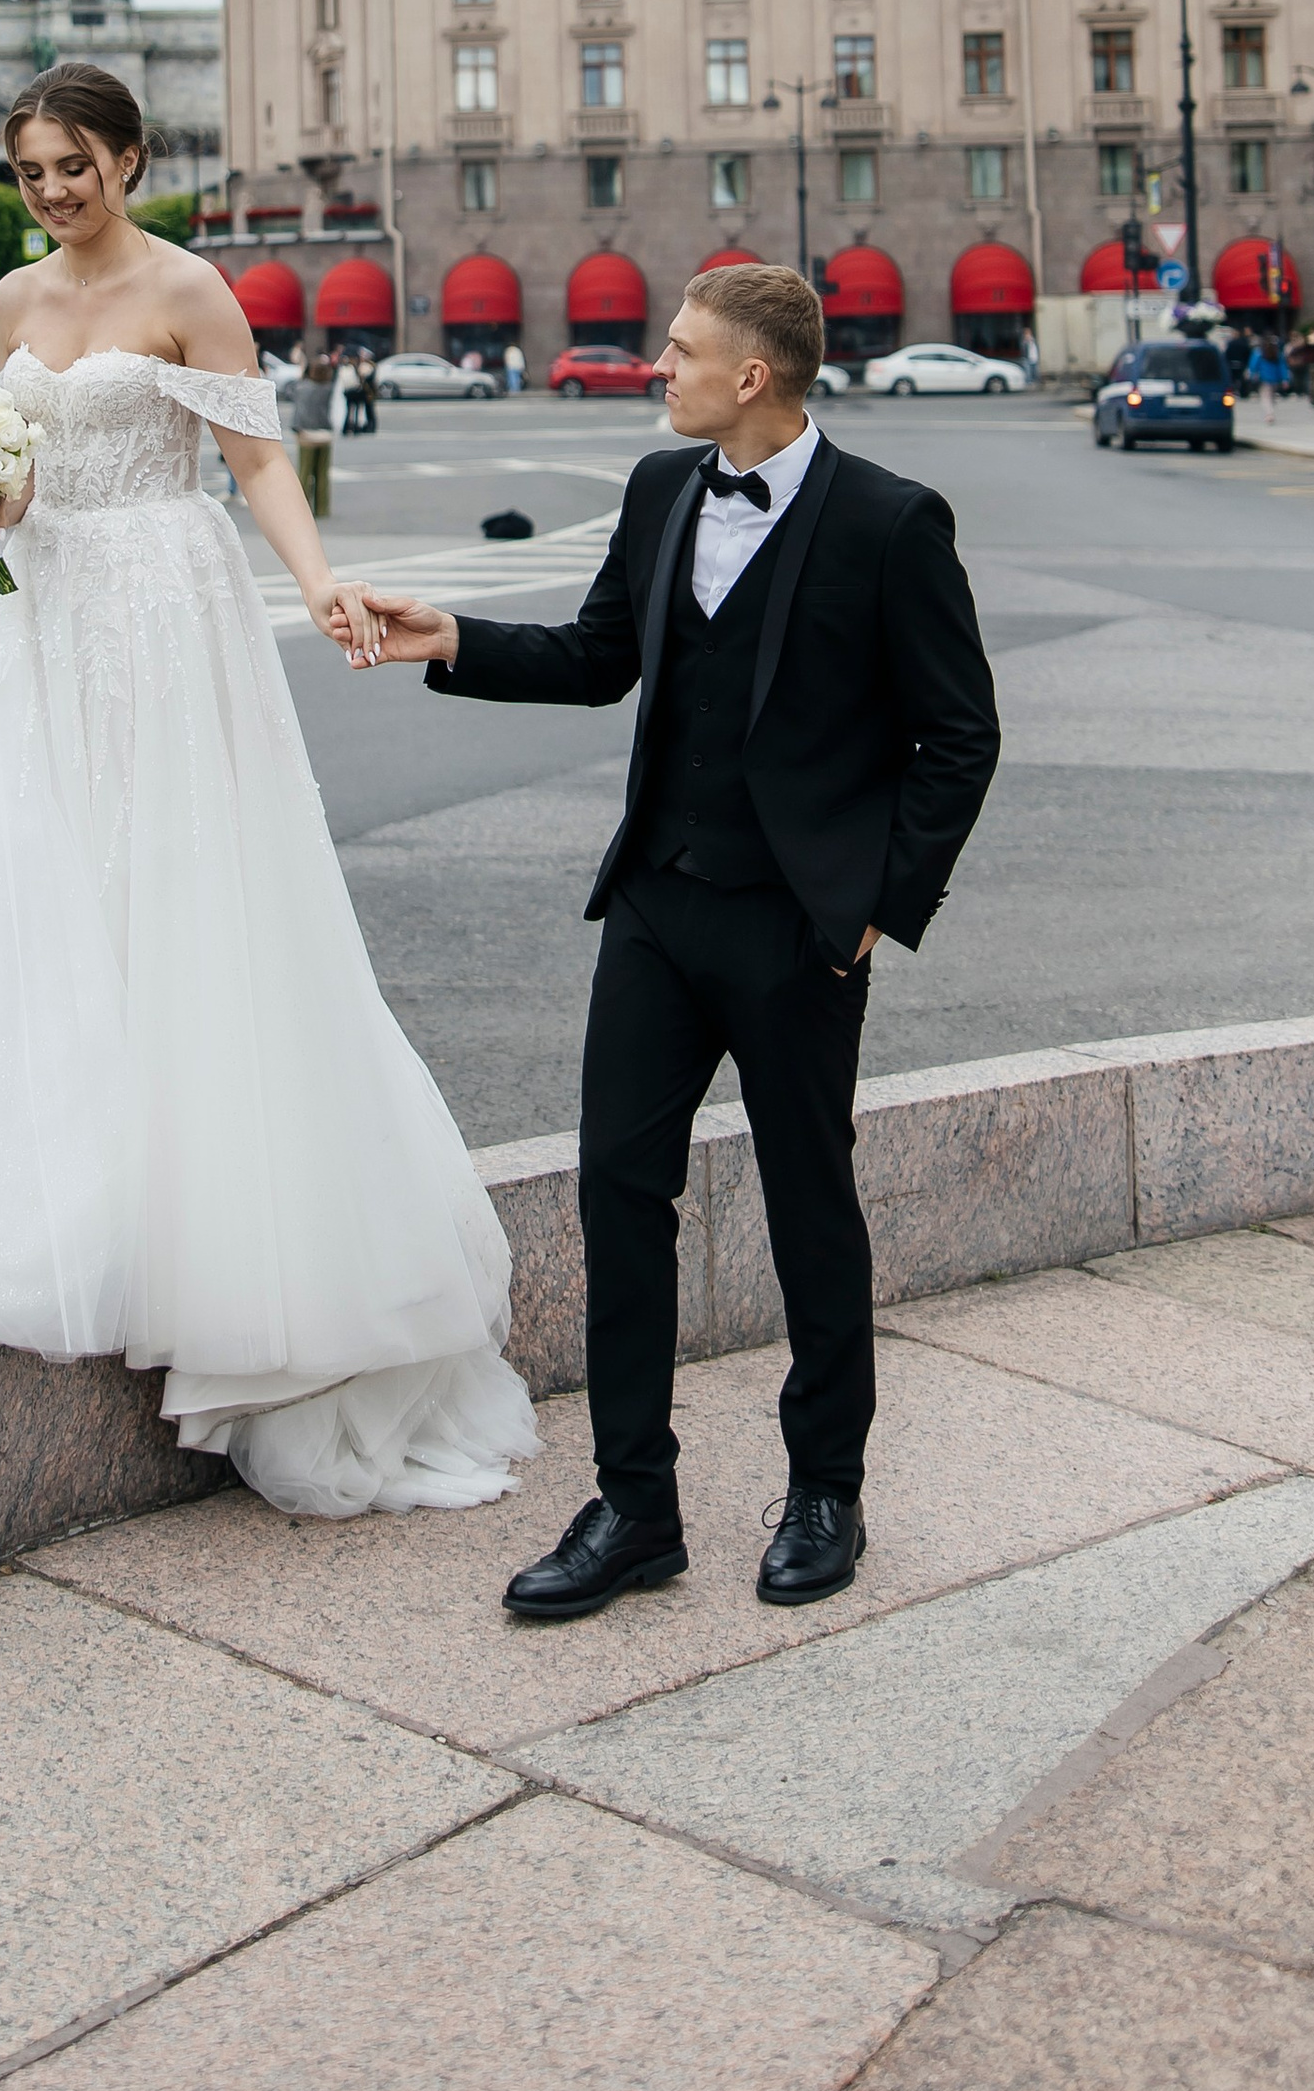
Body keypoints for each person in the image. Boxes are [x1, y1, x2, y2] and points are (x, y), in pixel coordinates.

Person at [0, 60, 535, 1520]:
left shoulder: (191, 287)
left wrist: (317, 587)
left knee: (182, 890)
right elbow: (28, 473)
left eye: (75, 166)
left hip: (165, 605)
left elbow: (254, 460)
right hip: (39, 616)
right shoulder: (11, 300)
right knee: (41, 887)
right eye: (31, 173)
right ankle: (67, 1219)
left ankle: (222, 1248)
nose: (53, 194)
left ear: (129, 159)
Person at [360, 262, 998, 1618]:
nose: (659, 366)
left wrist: (877, 906)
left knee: (808, 1204)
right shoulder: (659, 491)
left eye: (680, 350)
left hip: (799, 925)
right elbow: (601, 658)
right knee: (616, 1191)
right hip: (657, 904)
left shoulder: (889, 521)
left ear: (750, 376)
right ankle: (635, 1508)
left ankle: (826, 1490)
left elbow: (959, 735)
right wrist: (449, 639)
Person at [289, 351, 337, 517]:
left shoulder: (301, 387)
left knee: (304, 473)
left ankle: (303, 509)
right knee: (322, 475)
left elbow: (296, 404)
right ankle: (322, 508)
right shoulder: (329, 388)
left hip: (306, 434)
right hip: (324, 434)